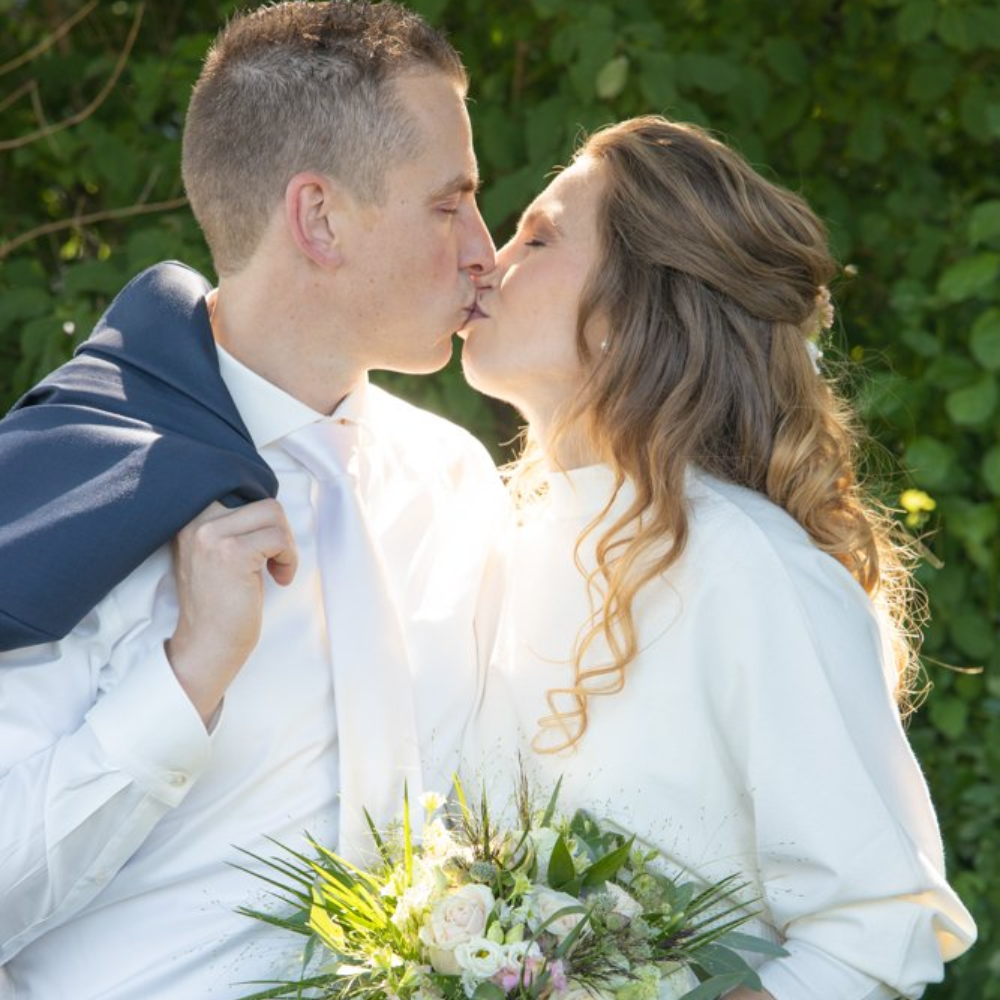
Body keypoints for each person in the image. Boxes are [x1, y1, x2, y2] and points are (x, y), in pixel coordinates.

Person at [0, 3, 506, 997]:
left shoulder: (454, 486)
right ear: (319, 218)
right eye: (450, 206)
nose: (485, 250)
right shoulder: (69, 493)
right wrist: (186, 675)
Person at [461, 116, 976, 998]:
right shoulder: (489, 545)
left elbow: (872, 933)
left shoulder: (749, 566)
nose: (486, 261)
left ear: (633, 308)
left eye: (536, 239)